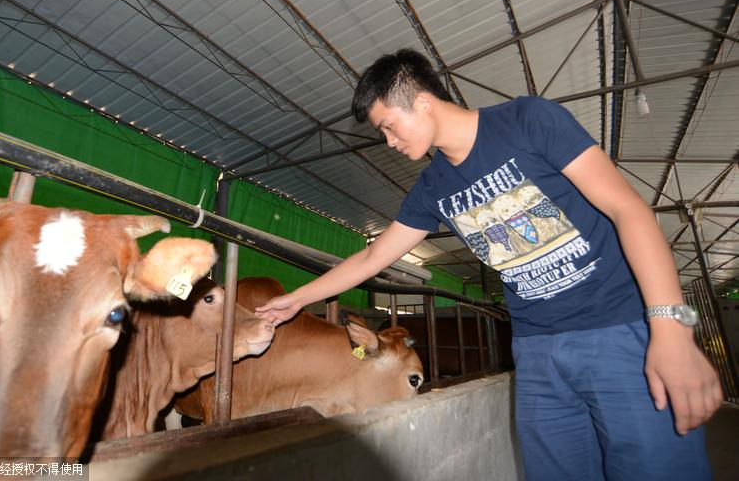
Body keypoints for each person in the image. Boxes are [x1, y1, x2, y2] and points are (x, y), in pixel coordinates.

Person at [255, 49, 721, 480]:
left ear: (422, 102)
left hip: (618, 331)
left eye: (389, 126)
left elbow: (629, 209)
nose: (389, 141)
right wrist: (295, 299)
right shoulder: (433, 186)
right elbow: (374, 255)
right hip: (538, 354)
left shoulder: (528, 120)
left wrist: (672, 329)